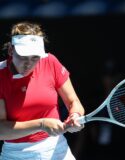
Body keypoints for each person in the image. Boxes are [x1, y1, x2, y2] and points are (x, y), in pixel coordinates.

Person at [0, 21, 85, 160]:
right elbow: (1, 131)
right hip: (16, 154)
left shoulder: (50, 62)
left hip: (57, 149)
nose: (29, 63)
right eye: (23, 56)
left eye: (35, 57)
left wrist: (75, 115)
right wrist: (42, 124)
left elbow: (73, 101)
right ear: (11, 50)